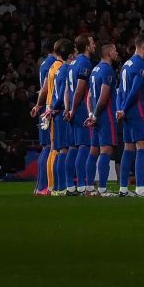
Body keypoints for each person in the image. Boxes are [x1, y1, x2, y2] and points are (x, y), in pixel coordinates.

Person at [115, 34, 144, 196]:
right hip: (137, 110)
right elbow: (135, 91)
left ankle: (123, 188)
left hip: (126, 112)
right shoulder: (140, 65)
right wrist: (124, 108)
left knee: (128, 148)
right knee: (142, 147)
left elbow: (120, 91)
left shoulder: (126, 64)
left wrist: (120, 108)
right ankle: (139, 188)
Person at [38, 38, 73, 196]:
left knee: (51, 147)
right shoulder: (61, 67)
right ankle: (53, 186)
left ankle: (44, 186)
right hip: (55, 110)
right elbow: (59, 92)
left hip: (49, 108)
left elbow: (44, 88)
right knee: (56, 148)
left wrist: (40, 105)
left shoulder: (51, 66)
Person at [64, 35, 97, 195]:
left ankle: (70, 186)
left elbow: (66, 89)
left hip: (72, 109)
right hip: (81, 109)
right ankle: (83, 186)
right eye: (92, 43)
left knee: (73, 147)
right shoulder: (84, 62)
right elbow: (79, 89)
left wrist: (67, 108)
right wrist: (74, 109)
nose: (94, 45)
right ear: (86, 46)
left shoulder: (72, 63)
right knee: (84, 147)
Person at [87, 41, 119, 195]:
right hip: (105, 116)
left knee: (93, 151)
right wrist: (96, 114)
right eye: (115, 50)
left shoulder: (94, 70)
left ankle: (88, 188)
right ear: (108, 53)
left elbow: (89, 96)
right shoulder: (108, 71)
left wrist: (90, 114)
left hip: (95, 116)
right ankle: (102, 189)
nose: (117, 53)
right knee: (105, 150)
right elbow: (103, 96)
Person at [32, 39, 59, 196]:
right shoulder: (52, 64)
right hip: (48, 109)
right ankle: (44, 186)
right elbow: (45, 89)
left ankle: (40, 186)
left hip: (44, 108)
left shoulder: (45, 63)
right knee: (49, 147)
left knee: (47, 147)